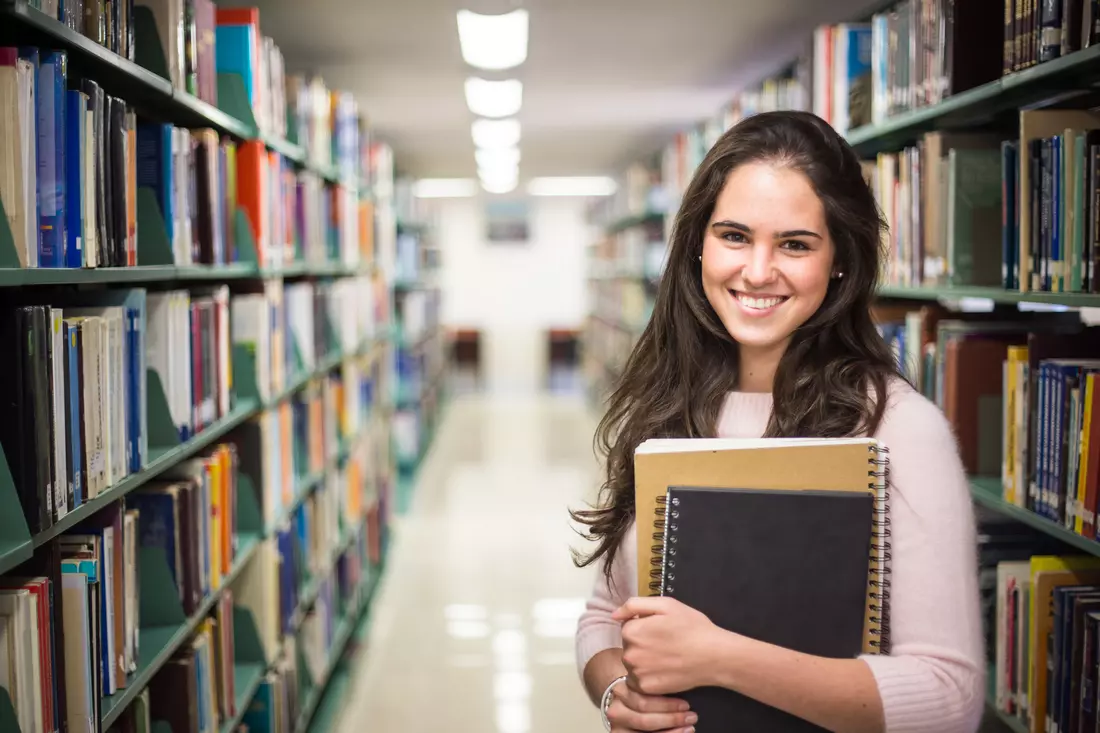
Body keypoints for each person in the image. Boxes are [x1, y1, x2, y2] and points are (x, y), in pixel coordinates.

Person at [570, 110, 984, 733]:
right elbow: (606, 613)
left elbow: (949, 697)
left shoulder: (897, 429)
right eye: (734, 236)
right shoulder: (662, 404)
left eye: (794, 244)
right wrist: (615, 693)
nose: (758, 271)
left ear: (839, 259)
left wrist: (718, 659)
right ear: (698, 245)